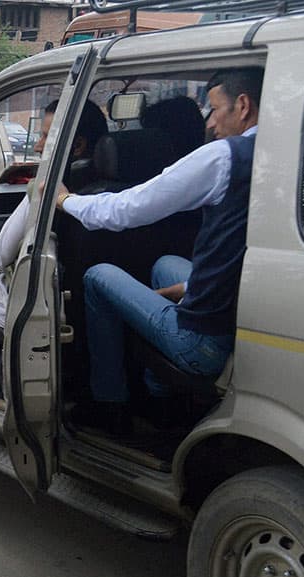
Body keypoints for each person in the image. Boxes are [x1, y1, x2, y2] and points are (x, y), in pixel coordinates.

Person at [52, 68, 264, 428]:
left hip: (204, 341)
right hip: (243, 315)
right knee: (166, 263)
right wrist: (190, 289)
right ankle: (160, 396)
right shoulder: (288, 156)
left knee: (97, 277)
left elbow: (128, 209)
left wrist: (66, 201)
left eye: (214, 109)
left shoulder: (224, 157)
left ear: (242, 106)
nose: (210, 123)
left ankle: (108, 405)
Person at [0, 99, 108, 380]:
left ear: (78, 146)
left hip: (48, 316)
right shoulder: (127, 191)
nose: (38, 146)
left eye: (47, 137)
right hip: (93, 314)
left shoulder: (49, 188)